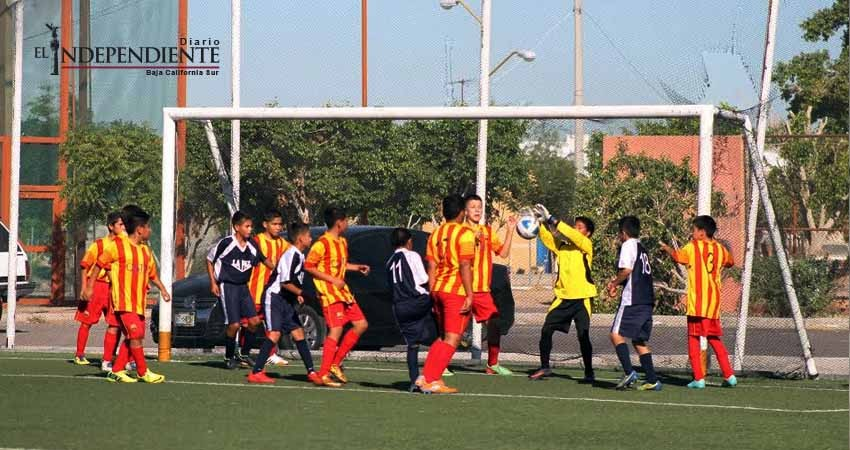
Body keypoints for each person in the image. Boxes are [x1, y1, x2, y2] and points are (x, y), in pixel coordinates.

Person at [82, 205, 171, 383]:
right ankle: (142, 371)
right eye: (148, 226)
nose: (150, 230)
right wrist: (89, 287)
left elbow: (152, 274)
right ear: (140, 229)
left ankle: (116, 370)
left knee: (135, 337)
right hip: (122, 302)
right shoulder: (117, 246)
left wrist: (163, 289)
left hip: (139, 302)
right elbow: (99, 264)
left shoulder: (145, 251)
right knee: (135, 334)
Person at [418, 194, 494, 394]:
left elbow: (432, 266)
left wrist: (432, 292)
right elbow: (465, 264)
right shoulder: (464, 233)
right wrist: (470, 294)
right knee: (453, 338)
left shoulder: (435, 233)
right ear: (462, 212)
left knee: (443, 337)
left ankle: (426, 376)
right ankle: (432, 379)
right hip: (455, 292)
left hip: (438, 290)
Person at [248, 222, 329, 386]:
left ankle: (312, 372)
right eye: (308, 236)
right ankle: (256, 372)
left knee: (299, 333)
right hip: (275, 297)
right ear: (300, 238)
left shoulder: (300, 255)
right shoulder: (290, 254)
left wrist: (297, 294)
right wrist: (301, 293)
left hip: (285, 300)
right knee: (275, 334)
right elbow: (284, 282)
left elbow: (293, 281)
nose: (310, 239)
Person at [661, 215, 737, 389]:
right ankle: (729, 375)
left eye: (694, 230)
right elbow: (731, 262)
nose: (692, 233)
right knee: (714, 338)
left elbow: (679, 257)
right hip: (713, 303)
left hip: (698, 304)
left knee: (693, 339)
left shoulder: (693, 247)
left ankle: (698, 378)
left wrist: (666, 248)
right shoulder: (720, 248)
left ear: (702, 233)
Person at [528, 204, 597, 382]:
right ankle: (545, 367)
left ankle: (589, 372)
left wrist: (552, 218)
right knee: (546, 331)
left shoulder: (586, 245)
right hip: (563, 298)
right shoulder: (563, 246)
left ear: (587, 233)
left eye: (580, 227)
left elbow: (572, 235)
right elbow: (548, 239)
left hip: (582, 298)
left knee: (583, 335)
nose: (575, 229)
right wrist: (541, 222)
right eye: (575, 225)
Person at [305, 207, 370, 385]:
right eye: (347, 220)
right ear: (339, 222)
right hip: (329, 293)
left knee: (361, 324)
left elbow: (340, 265)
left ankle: (335, 363)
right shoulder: (321, 244)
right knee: (336, 329)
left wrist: (356, 267)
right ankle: (323, 373)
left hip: (343, 292)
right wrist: (332, 280)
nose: (348, 224)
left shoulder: (342, 242)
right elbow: (309, 266)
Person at [207, 211, 275, 369]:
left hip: (243, 287)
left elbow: (265, 260)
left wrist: (280, 271)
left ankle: (244, 354)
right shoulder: (226, 243)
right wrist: (213, 282)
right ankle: (229, 357)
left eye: (251, 226)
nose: (250, 229)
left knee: (254, 322)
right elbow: (209, 260)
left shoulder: (252, 245)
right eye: (247, 226)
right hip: (228, 286)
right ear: (237, 227)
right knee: (234, 325)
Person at [463, 194, 517, 376]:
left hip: (482, 291)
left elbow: (503, 252)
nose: (477, 210)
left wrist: (510, 230)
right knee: (452, 329)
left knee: (494, 322)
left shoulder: (487, 231)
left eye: (479, 206)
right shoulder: (459, 231)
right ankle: (440, 365)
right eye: (473, 206)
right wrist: (471, 238)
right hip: (462, 288)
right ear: (465, 211)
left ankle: (492, 364)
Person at [605, 216, 660, 391]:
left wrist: (614, 283)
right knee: (639, 341)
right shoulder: (641, 247)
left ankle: (629, 372)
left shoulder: (628, 245)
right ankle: (652, 379)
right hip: (647, 300)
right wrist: (618, 283)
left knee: (615, 334)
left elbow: (627, 270)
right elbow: (636, 272)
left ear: (623, 232)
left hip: (633, 300)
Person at [386, 227, 438, 392]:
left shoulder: (389, 262)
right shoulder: (412, 255)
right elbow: (423, 278)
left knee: (413, 345)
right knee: (441, 302)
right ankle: (452, 335)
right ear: (408, 241)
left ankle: (414, 381)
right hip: (417, 301)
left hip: (399, 307)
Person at [73, 211, 124, 371]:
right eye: (120, 224)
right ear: (111, 226)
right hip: (96, 286)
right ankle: (79, 354)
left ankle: (110, 356)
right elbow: (85, 265)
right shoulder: (99, 244)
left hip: (113, 288)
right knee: (87, 321)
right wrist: (85, 287)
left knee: (116, 323)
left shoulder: (124, 245)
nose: (123, 227)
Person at [244, 210, 290, 367]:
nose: (278, 227)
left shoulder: (284, 244)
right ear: (265, 224)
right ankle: (242, 353)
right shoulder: (256, 241)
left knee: (272, 324)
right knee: (249, 324)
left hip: (272, 294)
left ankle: (271, 354)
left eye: (279, 224)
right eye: (274, 224)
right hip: (254, 291)